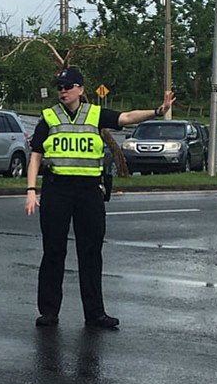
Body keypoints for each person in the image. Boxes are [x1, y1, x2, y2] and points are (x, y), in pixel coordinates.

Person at [25, 66, 175, 329]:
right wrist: (30, 190)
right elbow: (36, 155)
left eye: (68, 87)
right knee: (53, 252)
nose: (63, 91)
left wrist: (157, 111)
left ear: (80, 90)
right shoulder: (48, 117)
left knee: (91, 252)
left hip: (88, 191)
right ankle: (49, 312)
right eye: (59, 87)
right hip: (56, 189)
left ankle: (95, 313)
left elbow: (126, 117)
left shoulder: (95, 114)